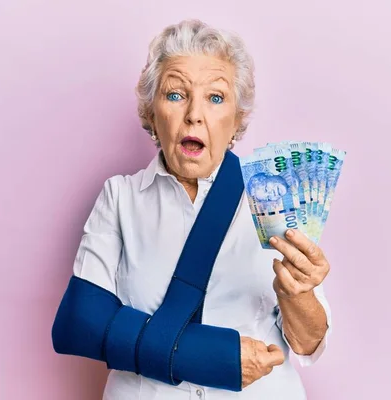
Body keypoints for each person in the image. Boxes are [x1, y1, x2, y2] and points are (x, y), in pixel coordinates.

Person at [52, 19, 332, 400]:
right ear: (152, 114)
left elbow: (306, 342)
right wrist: (210, 357)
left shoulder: (274, 200)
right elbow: (79, 323)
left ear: (237, 120)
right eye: (175, 95)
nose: (194, 115)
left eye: (216, 98)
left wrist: (299, 294)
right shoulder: (119, 198)